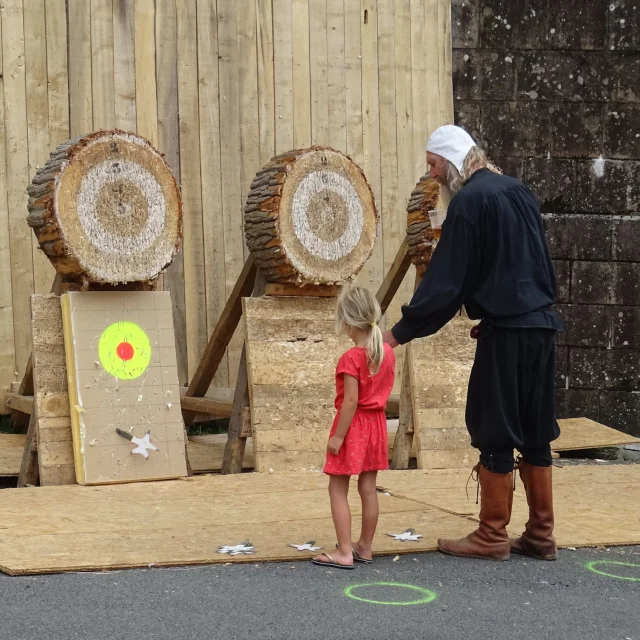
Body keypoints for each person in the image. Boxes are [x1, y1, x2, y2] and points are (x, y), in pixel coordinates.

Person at [382, 124, 564, 562]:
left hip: (507, 332)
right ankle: (541, 534)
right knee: (535, 431)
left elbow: (447, 284)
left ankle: (491, 534)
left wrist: (397, 333)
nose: (432, 176)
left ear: (449, 161)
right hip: (542, 327)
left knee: (495, 428)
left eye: (433, 165)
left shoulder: (469, 202)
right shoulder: (519, 191)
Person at [312, 286, 396, 570]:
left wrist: (337, 436)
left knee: (337, 489)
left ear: (347, 323)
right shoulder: (386, 352)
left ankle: (345, 552)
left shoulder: (351, 358)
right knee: (369, 488)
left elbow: (350, 401)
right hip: (377, 425)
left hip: (354, 426)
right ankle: (365, 547)